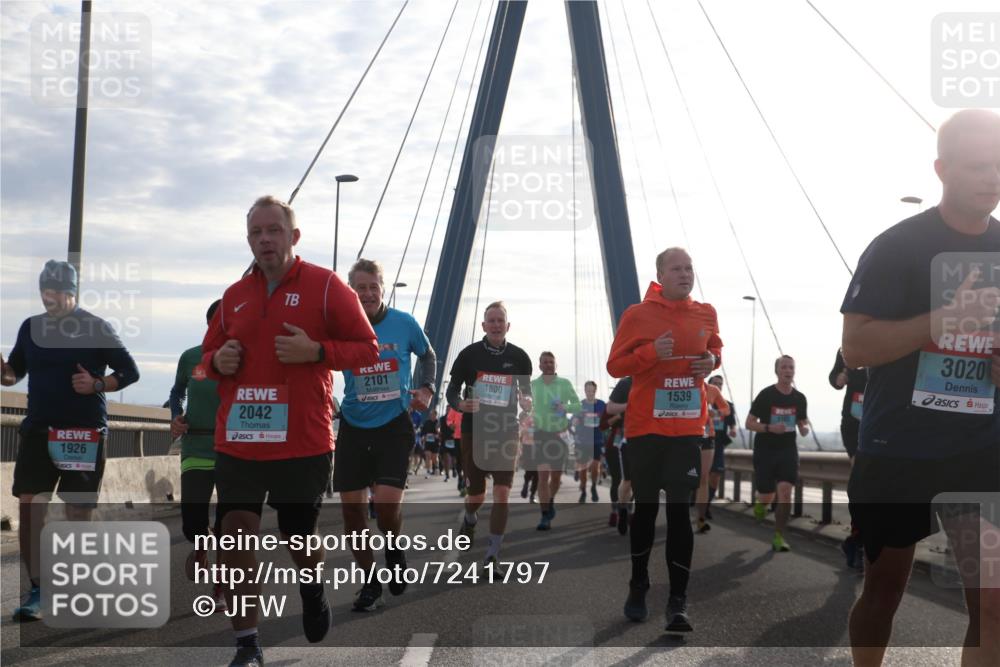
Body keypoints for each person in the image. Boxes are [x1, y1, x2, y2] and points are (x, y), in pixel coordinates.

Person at [842, 109, 1000, 667]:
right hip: (899, 450)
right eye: (978, 165)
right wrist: (943, 320)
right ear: (941, 169)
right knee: (884, 593)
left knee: (993, 606)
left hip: (981, 452)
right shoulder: (899, 246)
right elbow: (856, 347)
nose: (992, 177)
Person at [200, 195, 378, 666]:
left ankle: (312, 583)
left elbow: (366, 349)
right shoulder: (234, 296)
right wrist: (217, 361)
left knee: (299, 537)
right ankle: (248, 645)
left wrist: (317, 352)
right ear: (248, 241)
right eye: (256, 232)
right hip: (239, 439)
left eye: (273, 230)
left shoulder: (325, 287)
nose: (264, 239)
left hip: (301, 441)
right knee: (236, 535)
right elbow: (206, 358)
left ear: (292, 236)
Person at [3, 260, 140, 623]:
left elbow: (130, 371)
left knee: (78, 513)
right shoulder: (30, 328)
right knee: (30, 506)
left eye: (58, 291)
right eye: (45, 290)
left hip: (83, 432)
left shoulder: (95, 327)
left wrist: (97, 384)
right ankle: (39, 588)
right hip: (38, 429)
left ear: (73, 292)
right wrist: (3, 371)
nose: (50, 297)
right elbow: (14, 373)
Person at [607, 247, 722, 633]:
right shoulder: (637, 315)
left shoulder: (705, 312)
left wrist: (711, 362)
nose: (686, 274)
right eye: (677, 268)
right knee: (646, 511)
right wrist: (650, 353)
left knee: (678, 513)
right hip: (645, 430)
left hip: (687, 430)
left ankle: (678, 601)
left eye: (690, 267)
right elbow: (615, 365)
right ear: (660, 274)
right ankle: (638, 585)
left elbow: (715, 350)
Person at [334, 258, 436, 612]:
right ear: (351, 291)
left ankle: (393, 546)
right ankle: (369, 583)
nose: (367, 293)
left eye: (372, 286)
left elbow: (428, 355)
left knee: (388, 506)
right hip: (353, 425)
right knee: (353, 515)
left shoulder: (404, 323)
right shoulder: (341, 325)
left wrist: (426, 388)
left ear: (383, 287)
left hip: (394, 424)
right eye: (359, 287)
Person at [446, 301, 532, 566]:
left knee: (503, 494)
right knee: (477, 495)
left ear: (508, 326)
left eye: (500, 321)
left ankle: (493, 554)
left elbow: (526, 393)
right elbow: (452, 390)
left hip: (506, 432)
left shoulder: (519, 357)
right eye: (491, 321)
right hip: (475, 432)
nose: (496, 325)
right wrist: (459, 404)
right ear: (484, 326)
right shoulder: (469, 355)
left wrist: (527, 401)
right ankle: (470, 519)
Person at [169, 299, 226, 612]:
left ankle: (219, 586)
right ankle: (202, 550)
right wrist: (176, 416)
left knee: (228, 524)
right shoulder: (191, 357)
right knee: (193, 523)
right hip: (196, 446)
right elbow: (177, 392)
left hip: (233, 449)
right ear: (209, 325)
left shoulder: (246, 358)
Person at [746, 355, 810, 552]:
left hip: (787, 450)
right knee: (767, 494)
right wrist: (769, 428)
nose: (788, 370)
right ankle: (761, 504)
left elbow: (802, 421)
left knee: (785, 492)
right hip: (765, 450)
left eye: (791, 367)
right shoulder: (766, 395)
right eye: (784, 367)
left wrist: (804, 428)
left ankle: (778, 536)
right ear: (777, 371)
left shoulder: (800, 398)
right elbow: (749, 423)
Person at [531, 352, 581, 530]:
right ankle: (545, 515)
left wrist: (565, 407)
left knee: (556, 477)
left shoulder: (565, 384)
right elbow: (528, 406)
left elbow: (578, 405)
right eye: (545, 362)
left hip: (560, 434)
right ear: (540, 365)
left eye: (551, 362)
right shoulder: (533, 385)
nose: (548, 364)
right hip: (541, 434)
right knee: (542, 475)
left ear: (555, 365)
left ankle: (550, 500)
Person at [829, 348, 867, 569]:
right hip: (854, 424)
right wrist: (840, 377)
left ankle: (855, 541)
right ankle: (859, 541)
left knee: (872, 487)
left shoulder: (891, 339)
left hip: (882, 421)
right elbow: (835, 378)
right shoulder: (847, 347)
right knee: (862, 481)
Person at [694, 378, 730, 533]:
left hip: (707, 435)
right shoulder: (679, 384)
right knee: (681, 479)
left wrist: (714, 412)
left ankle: (701, 518)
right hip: (683, 436)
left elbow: (726, 409)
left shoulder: (712, 390)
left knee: (704, 477)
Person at [603, 376, 633, 534]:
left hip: (652, 439)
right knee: (624, 480)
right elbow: (605, 418)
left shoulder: (658, 378)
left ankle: (631, 510)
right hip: (622, 442)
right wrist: (625, 410)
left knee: (642, 481)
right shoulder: (626, 384)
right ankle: (621, 510)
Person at [705, 375, 737, 515]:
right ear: (709, 385)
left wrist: (733, 430)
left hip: (718, 444)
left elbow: (732, 424)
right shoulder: (703, 400)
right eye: (715, 383)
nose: (718, 386)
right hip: (702, 441)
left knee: (715, 475)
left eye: (720, 384)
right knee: (701, 476)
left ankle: (706, 505)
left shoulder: (727, 405)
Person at [576, 381, 607, 503]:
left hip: (597, 440)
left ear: (595, 391)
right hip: (582, 441)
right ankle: (583, 490)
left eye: (592, 390)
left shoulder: (601, 405)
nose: (590, 392)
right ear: (585, 391)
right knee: (582, 469)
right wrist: (575, 421)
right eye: (588, 390)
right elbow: (575, 419)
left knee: (595, 466)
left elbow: (606, 420)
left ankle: (593, 486)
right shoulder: (580, 405)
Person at [518, 410, 539, 503]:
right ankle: (526, 484)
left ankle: (532, 495)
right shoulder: (528, 418)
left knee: (537, 473)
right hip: (528, 446)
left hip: (541, 447)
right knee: (530, 470)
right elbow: (523, 430)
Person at [439, 411, 457, 482]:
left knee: (454, 458)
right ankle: (447, 475)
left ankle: (454, 468)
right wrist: (438, 432)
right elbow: (439, 427)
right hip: (445, 440)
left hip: (454, 440)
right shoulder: (442, 419)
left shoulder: (455, 418)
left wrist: (455, 433)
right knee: (446, 458)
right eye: (447, 409)